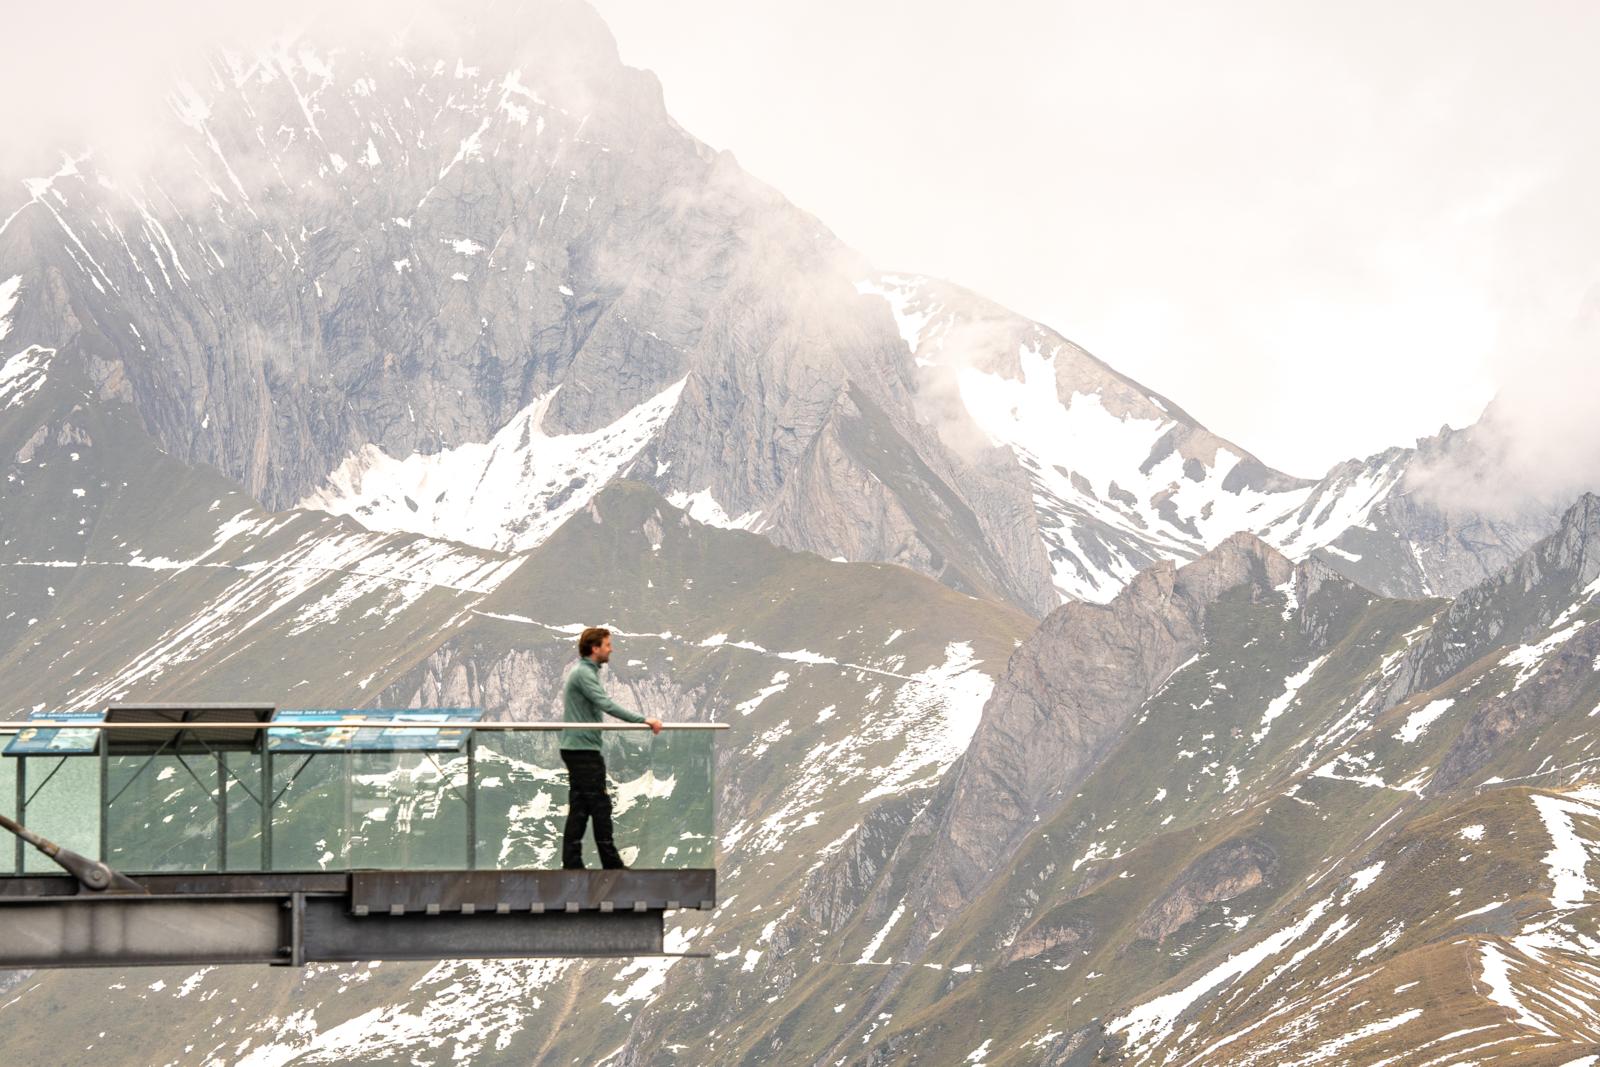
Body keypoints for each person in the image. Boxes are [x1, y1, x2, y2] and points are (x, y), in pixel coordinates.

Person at [559, 627, 662, 869]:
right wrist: (643, 719)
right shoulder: (584, 674)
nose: (611, 649)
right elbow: (605, 704)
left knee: (581, 807)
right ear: (595, 648)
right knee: (600, 805)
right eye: (607, 645)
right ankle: (610, 863)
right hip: (582, 750)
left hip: (579, 747)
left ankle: (572, 863)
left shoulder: (586, 672)